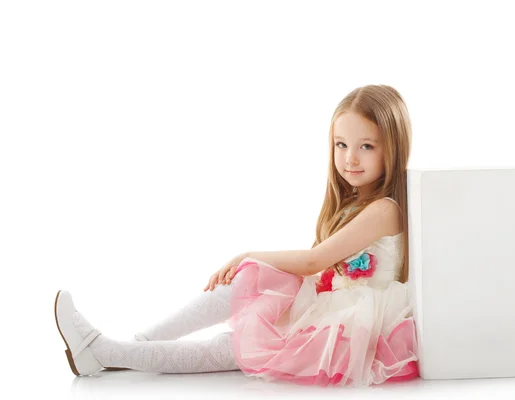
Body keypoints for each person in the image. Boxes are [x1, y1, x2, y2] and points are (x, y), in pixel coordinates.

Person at [54, 84, 419, 387]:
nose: (350, 158)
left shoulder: (385, 209)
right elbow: (316, 268)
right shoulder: (357, 203)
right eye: (341, 145)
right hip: (328, 306)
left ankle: (107, 351)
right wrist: (256, 271)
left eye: (366, 146)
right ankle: (136, 345)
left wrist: (249, 255)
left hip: (349, 325)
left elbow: (315, 260)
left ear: (394, 146)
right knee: (252, 286)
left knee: (234, 340)